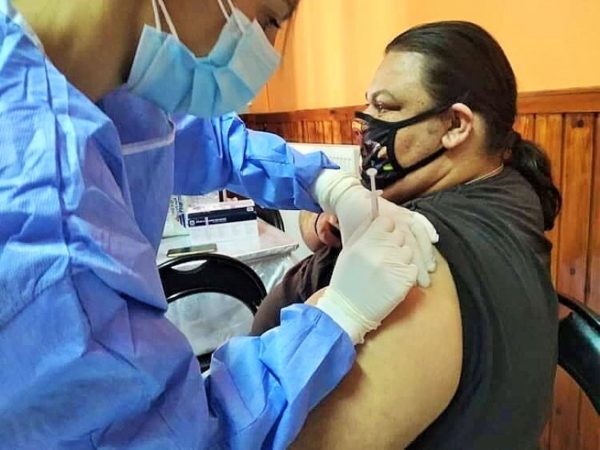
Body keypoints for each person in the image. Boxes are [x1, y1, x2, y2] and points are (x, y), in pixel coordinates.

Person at [0, 0, 439, 448]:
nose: (266, 49)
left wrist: (326, 183)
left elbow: (200, 139)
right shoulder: (49, 227)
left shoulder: (92, 78)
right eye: (269, 18)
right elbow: (169, 437)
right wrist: (339, 317)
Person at [252, 21, 561, 449]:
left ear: (455, 124)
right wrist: (326, 215)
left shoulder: (413, 255)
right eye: (368, 104)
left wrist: (333, 307)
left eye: (385, 107)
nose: (363, 124)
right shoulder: (507, 186)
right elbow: (322, 220)